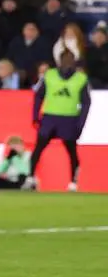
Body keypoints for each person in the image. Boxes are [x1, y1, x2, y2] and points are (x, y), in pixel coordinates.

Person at [28, 49, 89, 191]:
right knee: (39, 148)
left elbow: (86, 103)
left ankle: (73, 182)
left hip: (69, 118)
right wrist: (35, 116)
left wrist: (80, 123)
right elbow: (38, 96)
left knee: (71, 151)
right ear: (59, 61)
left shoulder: (80, 79)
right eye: (65, 59)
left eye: (69, 60)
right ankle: (30, 177)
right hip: (50, 117)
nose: (67, 63)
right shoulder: (50, 75)